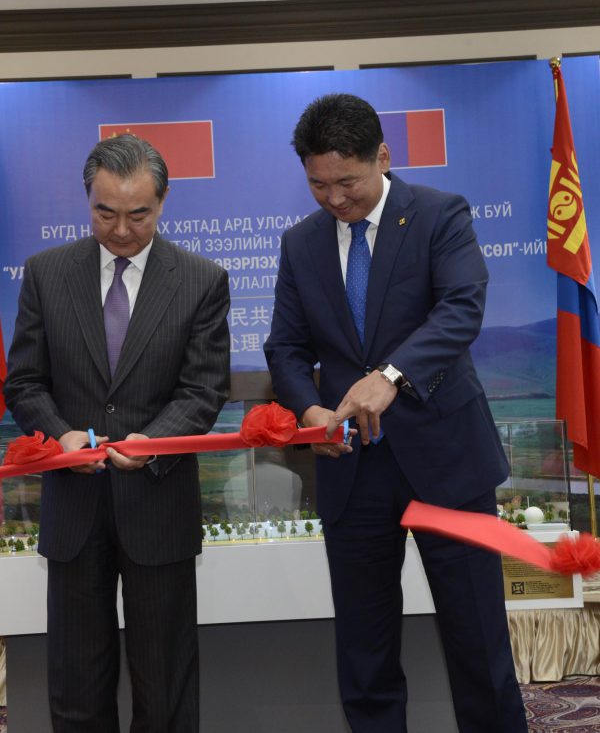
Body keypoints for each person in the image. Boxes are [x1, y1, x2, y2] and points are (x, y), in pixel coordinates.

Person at [264, 93, 527, 732]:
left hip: (447, 463)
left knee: (478, 644)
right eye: (318, 185)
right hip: (353, 470)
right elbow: (286, 347)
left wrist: (390, 377)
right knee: (365, 656)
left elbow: (461, 308)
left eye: (347, 182)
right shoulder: (301, 244)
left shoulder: (439, 214)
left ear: (382, 156)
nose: (334, 199)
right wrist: (311, 409)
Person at [4, 133, 230, 732]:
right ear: (87, 200)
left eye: (139, 214)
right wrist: (60, 437)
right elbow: (24, 382)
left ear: (163, 202)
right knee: (76, 688)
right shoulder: (48, 274)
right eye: (106, 213)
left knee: (166, 690)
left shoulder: (201, 280)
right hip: (74, 510)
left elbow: (204, 391)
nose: (122, 230)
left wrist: (149, 444)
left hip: (158, 506)